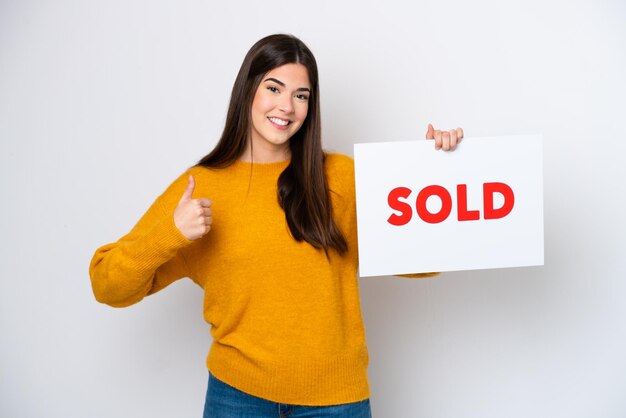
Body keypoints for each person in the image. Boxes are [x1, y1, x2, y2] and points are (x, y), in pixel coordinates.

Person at [89, 34, 463, 418]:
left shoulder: (340, 179)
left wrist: (437, 176)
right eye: (274, 88)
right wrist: (170, 235)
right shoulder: (202, 186)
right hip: (236, 397)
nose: (287, 106)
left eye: (301, 95)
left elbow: (423, 264)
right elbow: (108, 286)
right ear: (248, 90)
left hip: (336, 401)